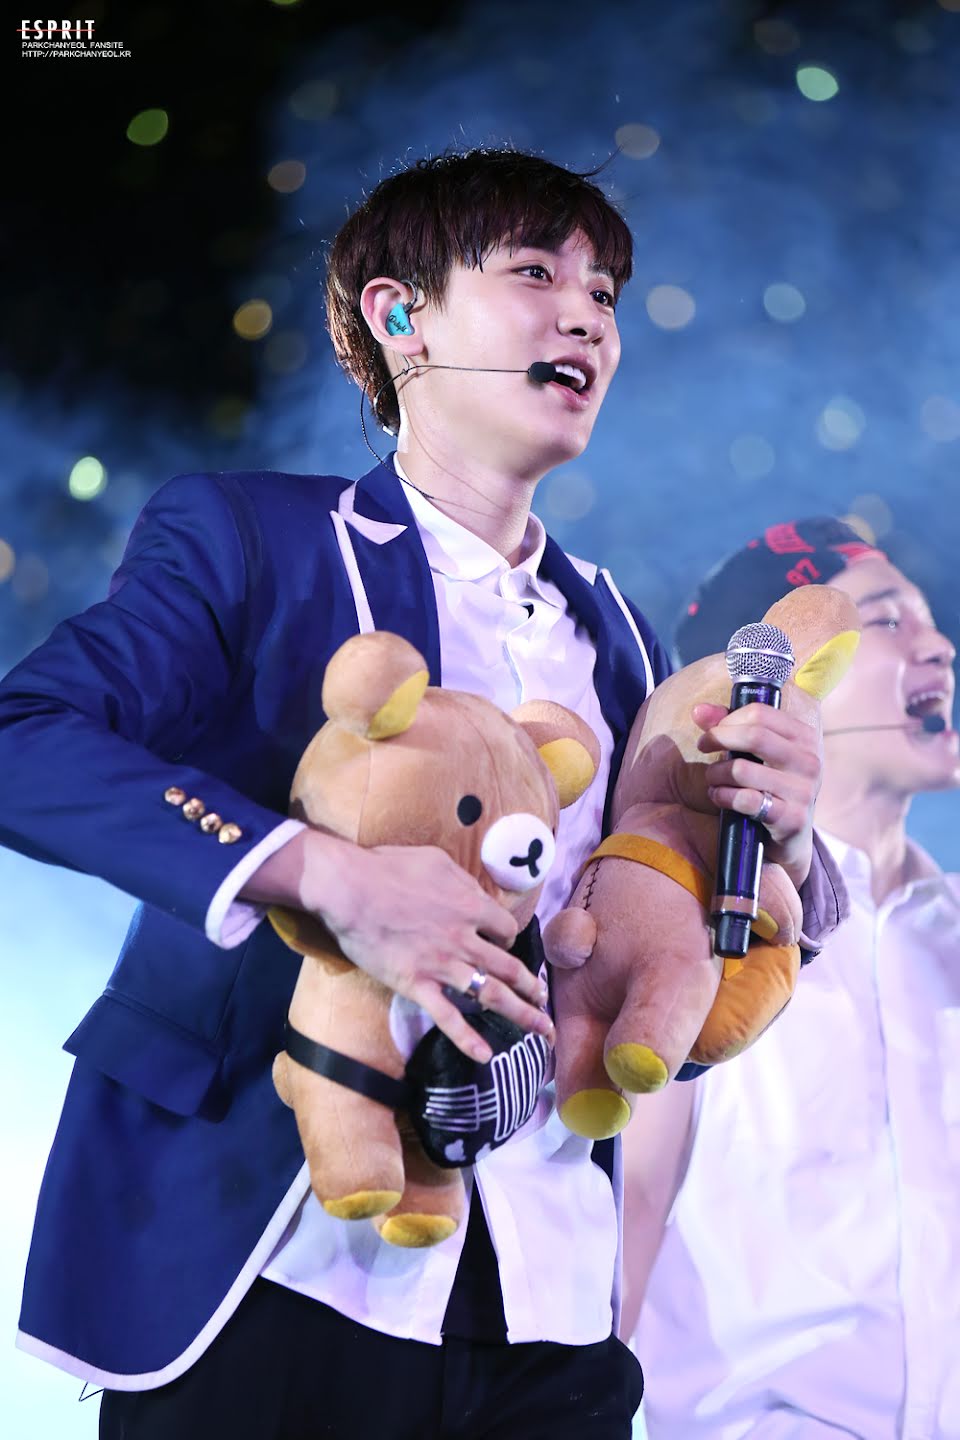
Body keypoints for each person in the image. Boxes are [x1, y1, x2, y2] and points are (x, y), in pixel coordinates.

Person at [0, 151, 836, 1440]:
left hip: (550, 1287)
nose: (587, 318)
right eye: (536, 274)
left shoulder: (617, 628)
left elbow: (649, 916)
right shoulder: (255, 538)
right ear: (401, 318)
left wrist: (786, 843)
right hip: (277, 1254)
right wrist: (321, 874)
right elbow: (26, 736)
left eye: (604, 294)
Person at [623, 517, 960, 1439]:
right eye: (886, 618)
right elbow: (627, 1216)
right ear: (786, 685)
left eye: (930, 619)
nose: (939, 645)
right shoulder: (701, 921)